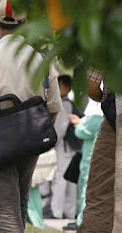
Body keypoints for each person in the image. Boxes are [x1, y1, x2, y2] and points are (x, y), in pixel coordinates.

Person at [0, 0, 62, 232]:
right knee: (21, 200)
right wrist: (35, 132)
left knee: (6, 205)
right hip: (30, 137)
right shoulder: (41, 60)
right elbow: (54, 107)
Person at [77, 70, 116, 233]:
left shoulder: (110, 43)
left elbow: (91, 86)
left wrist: (104, 99)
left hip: (117, 121)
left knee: (101, 194)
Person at [62, 99, 103, 231]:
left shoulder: (97, 113)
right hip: (93, 155)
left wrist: (78, 124)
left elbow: (84, 131)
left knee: (86, 189)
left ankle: (82, 221)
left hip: (90, 156)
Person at [50, 75, 78, 219]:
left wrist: (52, 143)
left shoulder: (64, 104)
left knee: (60, 178)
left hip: (64, 146)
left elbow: (60, 128)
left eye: (58, 85)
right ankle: (70, 212)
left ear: (66, 87)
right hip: (72, 146)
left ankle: (56, 211)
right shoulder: (70, 103)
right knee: (70, 179)